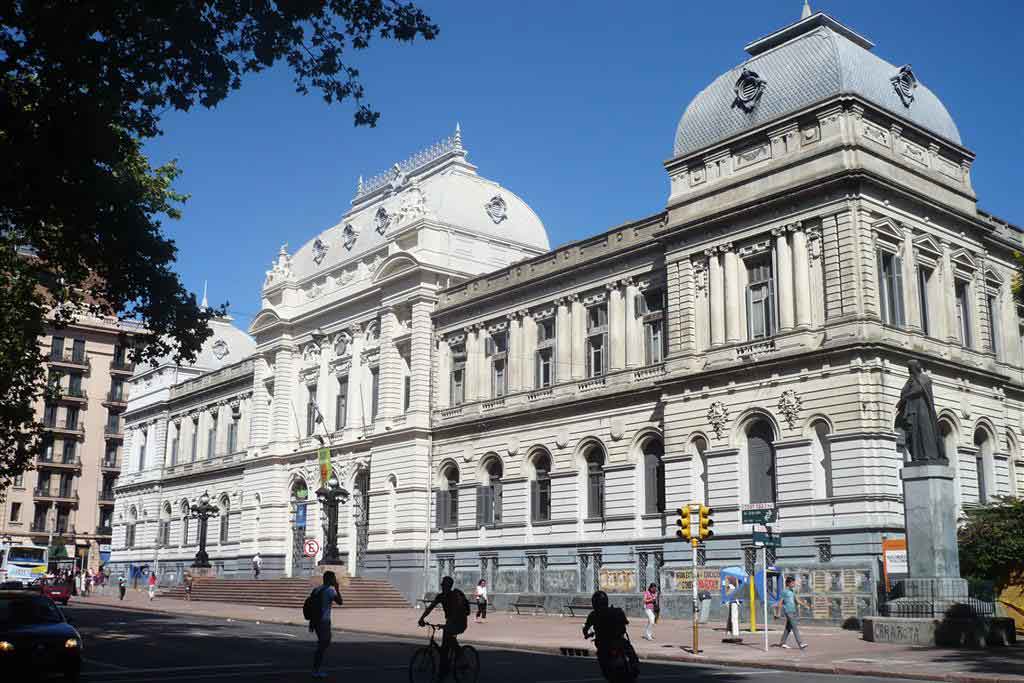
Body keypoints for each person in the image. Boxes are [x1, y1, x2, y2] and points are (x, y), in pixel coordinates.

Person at [418, 576, 470, 681]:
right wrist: (422, 618)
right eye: (442, 585)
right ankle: (443, 671)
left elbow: (456, 612)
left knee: (448, 640)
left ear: (449, 586)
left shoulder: (454, 596)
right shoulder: (441, 596)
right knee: (444, 648)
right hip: (450, 623)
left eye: (444, 585)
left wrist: (447, 624)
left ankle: (462, 658)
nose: (442, 587)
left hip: (460, 622)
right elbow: (430, 607)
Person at [583, 590, 635, 680]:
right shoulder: (617, 611)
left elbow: (585, 629)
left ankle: (628, 670)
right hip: (617, 642)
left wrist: (587, 634)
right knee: (630, 652)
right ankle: (634, 669)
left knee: (604, 661)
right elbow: (626, 622)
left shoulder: (593, 615)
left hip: (604, 645)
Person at [308, 570, 344, 679]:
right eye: (333, 578)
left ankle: (316, 668)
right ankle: (316, 670)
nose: (335, 580)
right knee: (323, 644)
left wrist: (311, 623)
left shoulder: (316, 589)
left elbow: (311, 607)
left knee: (323, 644)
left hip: (316, 620)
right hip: (324, 621)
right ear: (330, 579)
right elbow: (340, 601)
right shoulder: (329, 591)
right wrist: (337, 588)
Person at [775, 576, 810, 649]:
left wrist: (805, 605)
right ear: (788, 583)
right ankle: (800, 643)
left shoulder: (792, 591)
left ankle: (782, 642)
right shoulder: (784, 592)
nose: (794, 584)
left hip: (793, 611)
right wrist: (777, 613)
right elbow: (780, 603)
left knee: (788, 628)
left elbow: (797, 600)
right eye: (793, 583)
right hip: (788, 611)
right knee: (795, 627)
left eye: (794, 582)